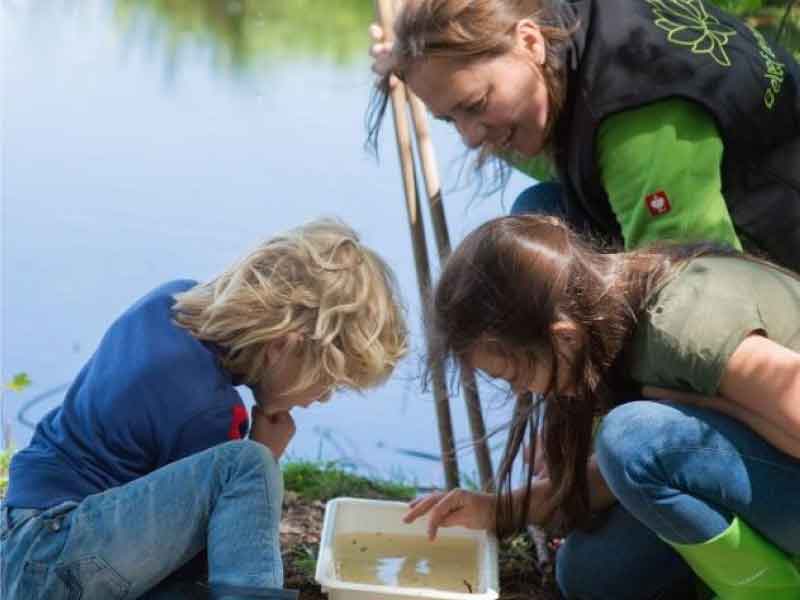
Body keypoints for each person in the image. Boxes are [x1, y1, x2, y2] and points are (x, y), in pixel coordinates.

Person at [0, 219, 408, 600]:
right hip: (57, 557)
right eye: (328, 381)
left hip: (25, 538)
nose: (322, 398)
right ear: (283, 347)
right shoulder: (207, 410)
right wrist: (266, 450)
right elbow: (208, 553)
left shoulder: (172, 302)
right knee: (246, 466)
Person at [406, 214, 800, 599]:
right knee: (591, 571)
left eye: (514, 377)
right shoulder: (609, 317)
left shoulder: (680, 324)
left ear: (563, 338)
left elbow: (641, 451)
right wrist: (500, 511)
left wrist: (695, 402)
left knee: (629, 436)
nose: (519, 393)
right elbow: (619, 474)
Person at [367, 0, 800, 271]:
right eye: (449, 119)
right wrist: (410, 59)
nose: (469, 139)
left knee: (642, 421)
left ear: (530, 42)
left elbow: (702, 289)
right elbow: (574, 146)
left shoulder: (637, 114)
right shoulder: (571, 25)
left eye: (475, 105)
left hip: (769, 267)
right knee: (540, 219)